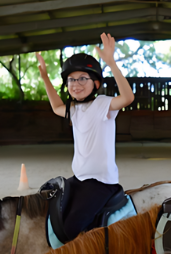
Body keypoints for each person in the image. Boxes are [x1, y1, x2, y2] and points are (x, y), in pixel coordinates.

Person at [35, 33, 135, 240]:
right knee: (50, 212)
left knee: (71, 228)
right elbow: (56, 107)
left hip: (101, 182)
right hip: (79, 178)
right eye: (71, 79)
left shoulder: (102, 104)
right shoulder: (74, 109)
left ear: (96, 84)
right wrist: (45, 77)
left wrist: (111, 63)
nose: (76, 84)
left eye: (82, 78)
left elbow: (127, 97)